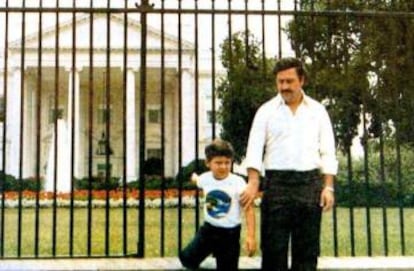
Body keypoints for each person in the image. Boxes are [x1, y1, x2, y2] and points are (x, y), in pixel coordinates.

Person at [241, 57, 338, 271]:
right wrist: (253, 182)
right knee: (273, 251)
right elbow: (254, 149)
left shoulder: (318, 111)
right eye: (280, 81)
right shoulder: (265, 112)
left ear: (301, 80)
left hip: (309, 185)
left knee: (307, 252)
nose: (284, 86)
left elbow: (328, 151)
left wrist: (328, 187)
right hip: (277, 186)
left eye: (289, 81)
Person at [179, 138, 256, 271]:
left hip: (230, 235)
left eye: (227, 162)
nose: (223, 167)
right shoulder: (205, 178)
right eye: (218, 163)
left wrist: (250, 237)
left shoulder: (238, 183)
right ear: (208, 163)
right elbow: (197, 180)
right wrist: (193, 176)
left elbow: (249, 210)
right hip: (208, 231)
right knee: (187, 260)